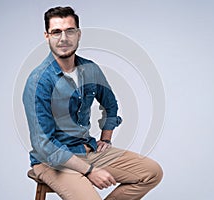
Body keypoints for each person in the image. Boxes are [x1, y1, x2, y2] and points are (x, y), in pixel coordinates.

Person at [23, 6, 163, 200]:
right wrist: (89, 171)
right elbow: (44, 145)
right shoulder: (39, 81)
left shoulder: (90, 69)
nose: (63, 38)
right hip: (52, 161)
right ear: (47, 36)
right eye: (56, 32)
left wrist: (106, 138)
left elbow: (110, 104)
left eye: (69, 31)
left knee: (151, 172)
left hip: (86, 150)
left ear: (78, 34)